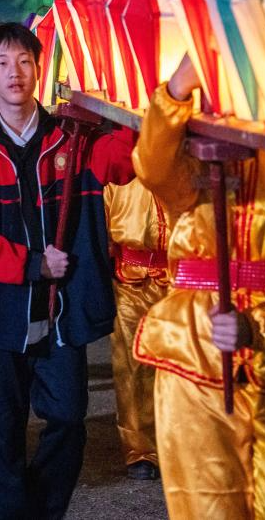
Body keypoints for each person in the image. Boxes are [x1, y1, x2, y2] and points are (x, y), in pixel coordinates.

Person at [131, 56, 265, 519]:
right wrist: (176, 90)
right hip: (195, 356)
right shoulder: (196, 144)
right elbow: (152, 168)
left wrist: (258, 326)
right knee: (207, 507)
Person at [0, 23, 135, 519]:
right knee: (5, 433)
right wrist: (32, 264)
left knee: (68, 420)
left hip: (61, 314)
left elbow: (127, 160)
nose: (15, 73)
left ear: (39, 68)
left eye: (24, 61)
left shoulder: (76, 141)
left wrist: (124, 102)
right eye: (2, 64)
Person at [104, 178, 169, 480]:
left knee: (188, 366)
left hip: (185, 279)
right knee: (132, 367)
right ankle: (141, 450)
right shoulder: (116, 173)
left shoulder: (190, 164)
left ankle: (185, 441)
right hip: (129, 281)